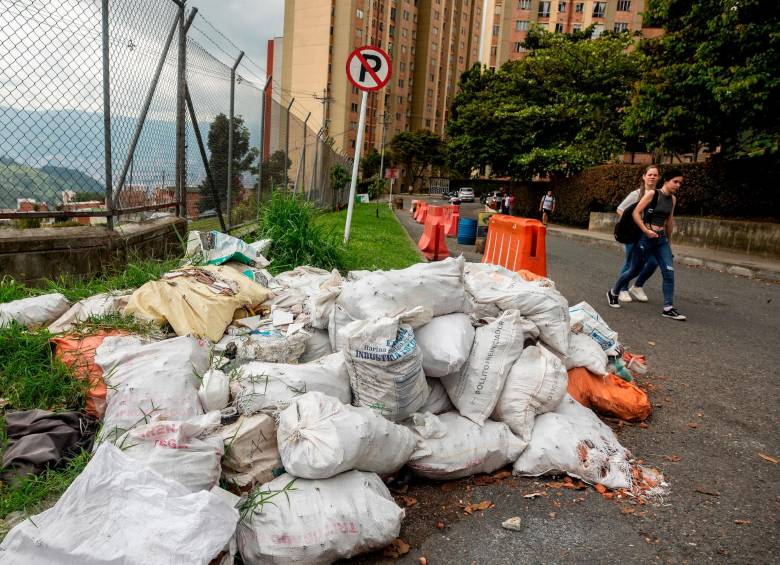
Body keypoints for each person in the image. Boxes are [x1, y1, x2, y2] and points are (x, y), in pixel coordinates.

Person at [608, 168, 686, 321]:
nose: (678, 185)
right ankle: (614, 291)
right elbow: (635, 213)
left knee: (668, 272)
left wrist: (669, 242)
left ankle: (668, 307)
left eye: (680, 183)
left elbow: (669, 221)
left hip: (661, 239)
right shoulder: (652, 194)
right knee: (633, 270)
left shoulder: (673, 199)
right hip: (645, 238)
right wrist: (645, 230)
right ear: (666, 181)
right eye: (675, 182)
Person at [615, 165, 660, 303]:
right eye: (649, 174)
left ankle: (638, 286)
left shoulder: (659, 195)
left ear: (658, 178)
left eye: (655, 175)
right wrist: (632, 223)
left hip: (649, 235)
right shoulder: (636, 194)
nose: (652, 177)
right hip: (634, 234)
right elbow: (620, 209)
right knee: (630, 263)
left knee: (653, 262)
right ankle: (622, 289)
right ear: (644, 176)